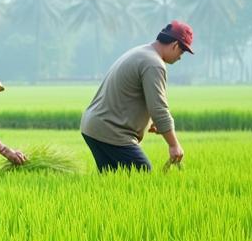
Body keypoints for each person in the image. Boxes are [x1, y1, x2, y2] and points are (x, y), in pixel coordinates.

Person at [80, 22, 193, 172]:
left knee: (114, 183)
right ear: (174, 45)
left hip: (94, 126)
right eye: (182, 52)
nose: (180, 58)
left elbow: (132, 94)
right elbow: (159, 109)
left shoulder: (142, 52)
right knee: (143, 174)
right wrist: (174, 145)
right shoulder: (154, 64)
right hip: (111, 131)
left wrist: (148, 122)